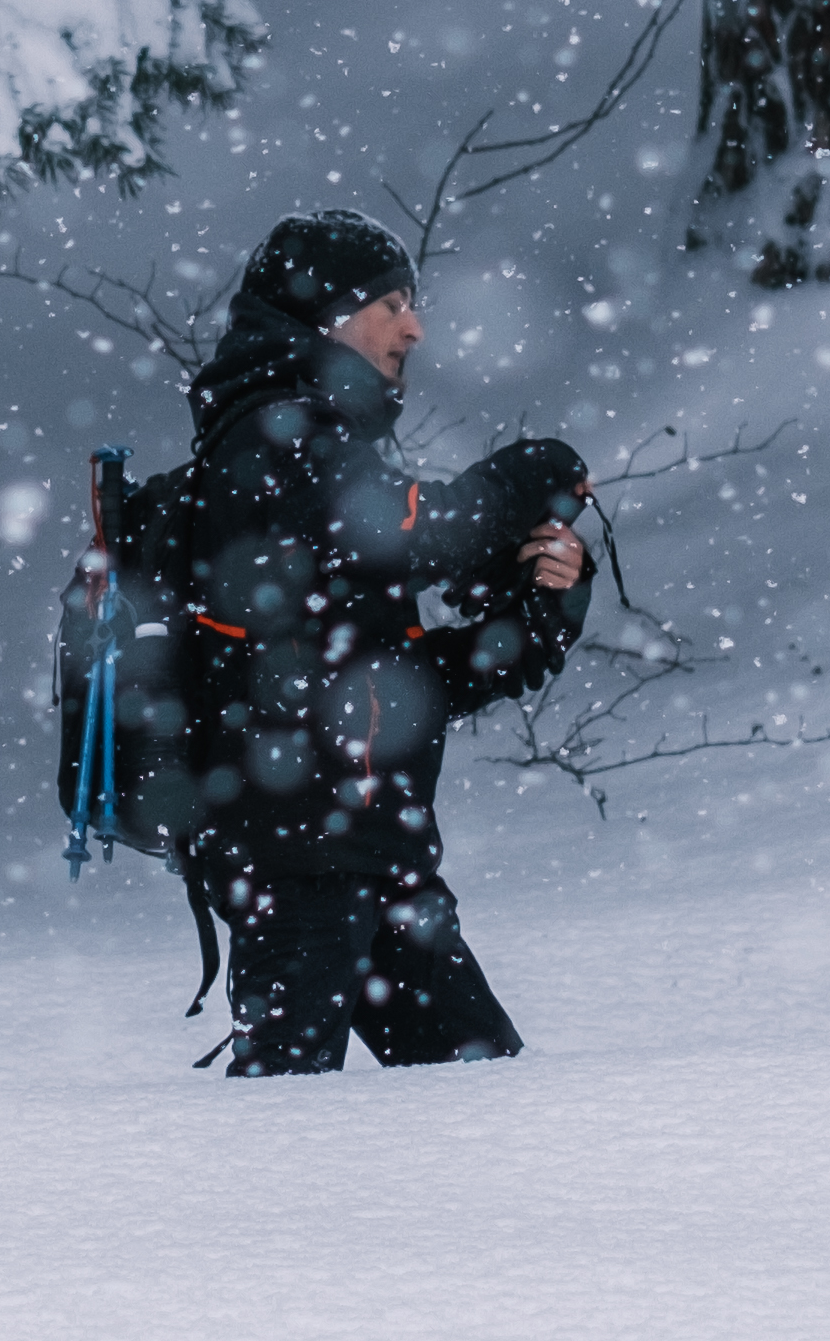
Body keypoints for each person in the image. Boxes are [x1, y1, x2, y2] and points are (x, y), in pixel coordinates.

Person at [164, 210, 591, 1076]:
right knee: (283, 1123)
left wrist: (543, 612)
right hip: (292, 859)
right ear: (325, 312)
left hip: (373, 852)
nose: (415, 325)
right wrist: (522, 478)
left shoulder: (328, 446)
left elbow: (403, 681)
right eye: (391, 303)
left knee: (477, 1089)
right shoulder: (270, 435)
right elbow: (412, 531)